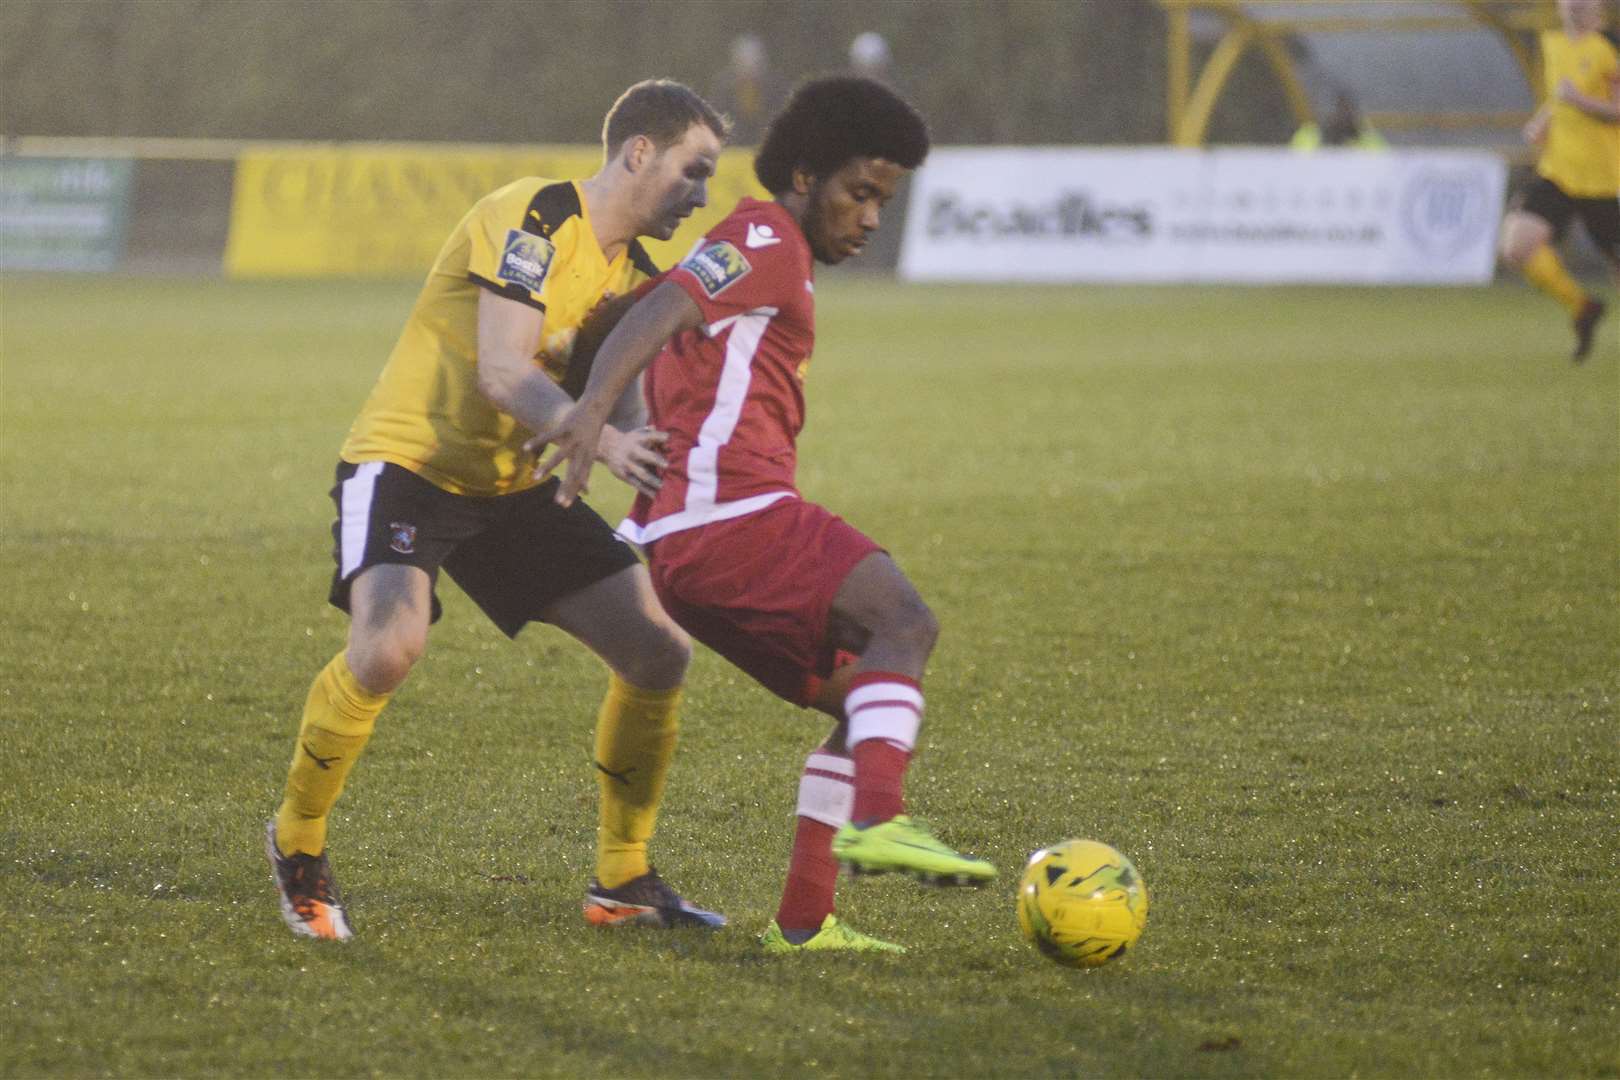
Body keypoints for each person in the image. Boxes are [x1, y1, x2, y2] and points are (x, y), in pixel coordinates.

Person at [530, 76, 996, 956]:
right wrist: (591, 411)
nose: (869, 218)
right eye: (860, 193)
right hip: (730, 517)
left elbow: (641, 314)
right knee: (905, 621)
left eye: (884, 203)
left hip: (685, 545)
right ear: (808, 173)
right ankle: (881, 820)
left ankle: (804, 921)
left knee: (861, 700)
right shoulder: (765, 234)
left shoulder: (763, 247)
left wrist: (604, 393)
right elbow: (666, 309)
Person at [265, 79, 732, 941]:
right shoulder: (534, 216)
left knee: (658, 649)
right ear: (639, 152)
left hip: (514, 485)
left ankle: (623, 880)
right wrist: (593, 435)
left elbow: (627, 410)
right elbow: (503, 369)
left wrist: (670, 462)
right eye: (693, 170)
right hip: (408, 463)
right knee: (388, 647)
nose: (702, 195)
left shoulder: (636, 279)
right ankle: (299, 845)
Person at [1499, 0, 1619, 362]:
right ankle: (1583, 307)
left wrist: (1579, 100)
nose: (1574, 4)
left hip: (1600, 178)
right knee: (1516, 246)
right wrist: (1544, 120)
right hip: (1558, 171)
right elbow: (1558, 96)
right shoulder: (1551, 43)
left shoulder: (1606, 48)